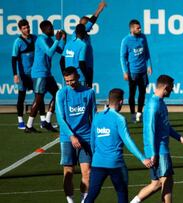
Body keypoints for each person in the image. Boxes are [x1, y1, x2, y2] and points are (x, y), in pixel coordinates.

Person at [130, 75, 183, 203]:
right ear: (165, 87)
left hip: (158, 150)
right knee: (167, 183)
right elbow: (150, 131)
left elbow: (165, 126)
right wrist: (154, 153)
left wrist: (180, 138)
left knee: (156, 184)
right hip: (159, 151)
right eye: (171, 88)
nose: (172, 91)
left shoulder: (160, 103)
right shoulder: (154, 105)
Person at [85, 88, 152, 203]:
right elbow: (127, 141)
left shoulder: (97, 117)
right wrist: (142, 158)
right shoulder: (119, 119)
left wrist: (94, 159)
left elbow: (92, 141)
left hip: (98, 163)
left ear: (108, 100)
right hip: (115, 164)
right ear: (121, 102)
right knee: (122, 193)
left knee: (91, 195)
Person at [55, 67, 97, 203]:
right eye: (67, 81)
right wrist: (72, 136)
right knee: (68, 172)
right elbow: (61, 118)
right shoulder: (61, 94)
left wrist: (96, 136)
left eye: (72, 80)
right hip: (67, 138)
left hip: (86, 137)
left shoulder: (89, 92)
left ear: (78, 77)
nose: (70, 83)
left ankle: (84, 201)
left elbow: (94, 115)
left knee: (88, 172)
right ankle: (70, 201)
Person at [25, 20, 65, 133]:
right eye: (51, 28)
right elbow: (49, 52)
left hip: (46, 73)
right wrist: (57, 40)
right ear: (45, 29)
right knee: (38, 98)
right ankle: (29, 125)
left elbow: (60, 50)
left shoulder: (49, 39)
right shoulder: (41, 39)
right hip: (39, 73)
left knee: (57, 94)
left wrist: (62, 40)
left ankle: (46, 121)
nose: (53, 30)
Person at [120, 19, 152, 123]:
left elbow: (146, 52)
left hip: (143, 71)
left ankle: (139, 113)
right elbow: (122, 57)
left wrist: (149, 66)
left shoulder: (143, 38)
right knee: (132, 94)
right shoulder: (126, 40)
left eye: (140, 27)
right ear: (132, 29)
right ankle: (132, 114)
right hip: (132, 72)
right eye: (138, 28)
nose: (140, 29)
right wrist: (125, 71)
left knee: (142, 93)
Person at [11, 19, 38, 129]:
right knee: (21, 97)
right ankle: (20, 121)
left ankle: (43, 120)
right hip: (23, 75)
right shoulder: (18, 42)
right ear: (20, 29)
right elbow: (13, 59)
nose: (27, 29)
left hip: (34, 73)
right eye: (24, 28)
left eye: (27, 27)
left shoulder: (34, 38)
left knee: (38, 95)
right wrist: (15, 74)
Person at [79, 0, 107, 87]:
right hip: (83, 71)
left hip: (88, 68)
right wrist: (99, 9)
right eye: (89, 26)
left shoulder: (85, 36)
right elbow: (91, 23)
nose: (91, 28)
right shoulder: (79, 35)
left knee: (88, 92)